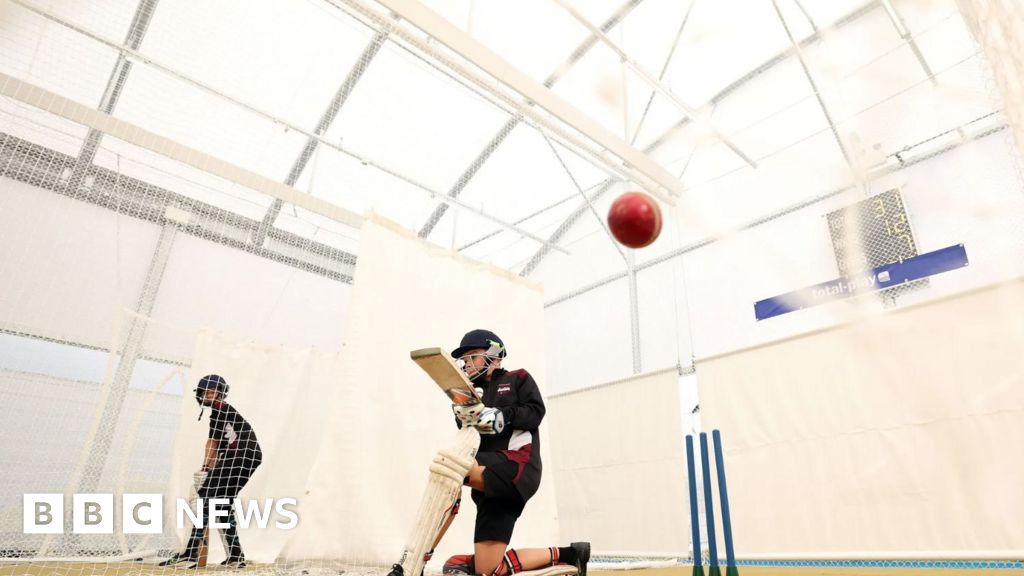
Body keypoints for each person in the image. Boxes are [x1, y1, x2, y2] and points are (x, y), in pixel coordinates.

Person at [443, 329, 589, 576]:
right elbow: (469, 434)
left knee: (452, 464)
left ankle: (424, 557)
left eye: (473, 356)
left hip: (517, 466)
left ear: (494, 355)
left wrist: (503, 414)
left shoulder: (517, 378)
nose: (467, 363)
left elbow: (535, 413)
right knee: (488, 571)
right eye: (464, 359)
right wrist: (463, 413)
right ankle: (571, 554)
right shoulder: (471, 393)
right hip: (490, 481)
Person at [160, 374, 263, 568]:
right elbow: (220, 443)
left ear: (220, 393)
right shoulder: (223, 411)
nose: (206, 395)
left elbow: (213, 443)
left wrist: (206, 467)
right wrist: (211, 468)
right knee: (222, 504)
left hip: (240, 456)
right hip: (250, 457)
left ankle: (190, 554)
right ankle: (235, 556)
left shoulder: (220, 410)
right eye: (204, 392)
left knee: (205, 497)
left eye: (211, 391)